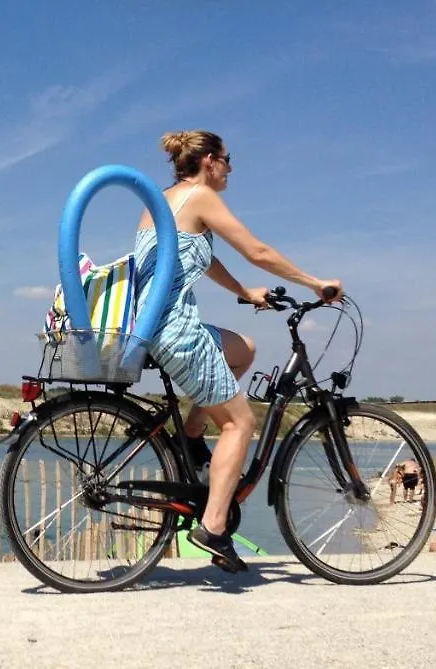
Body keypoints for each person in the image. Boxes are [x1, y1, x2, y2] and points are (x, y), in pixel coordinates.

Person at [133, 130, 343, 571]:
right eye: (228, 160)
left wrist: (245, 291)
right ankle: (212, 526)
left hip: (153, 325)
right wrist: (315, 283)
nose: (231, 169)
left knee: (244, 348)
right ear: (210, 161)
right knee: (240, 424)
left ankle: (190, 439)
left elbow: (201, 258)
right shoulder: (200, 196)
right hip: (176, 329)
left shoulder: (164, 200)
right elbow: (257, 250)